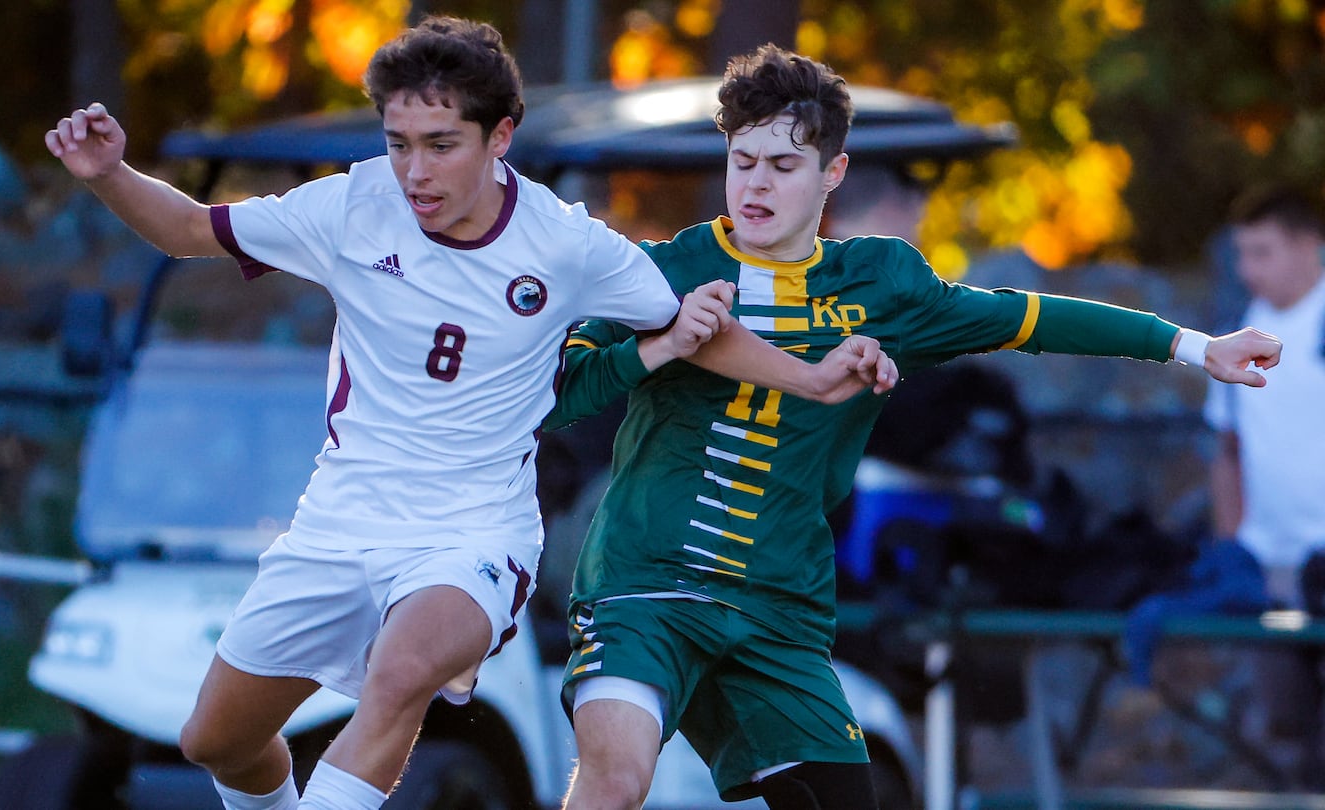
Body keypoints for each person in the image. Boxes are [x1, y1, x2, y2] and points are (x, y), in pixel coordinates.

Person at [45, 17, 891, 810]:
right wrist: (111, 175)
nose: (416, 172)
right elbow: (190, 229)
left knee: (401, 671)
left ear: (500, 137)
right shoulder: (349, 207)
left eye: (441, 146)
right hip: (339, 522)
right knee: (216, 740)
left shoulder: (564, 242)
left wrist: (812, 380)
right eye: (399, 144)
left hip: (472, 534)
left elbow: (692, 329)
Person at [544, 45, 1283, 810]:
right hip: (643, 583)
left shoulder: (883, 285)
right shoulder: (665, 270)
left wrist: (1200, 349)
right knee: (617, 778)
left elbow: (1029, 319)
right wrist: (658, 346)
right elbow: (560, 395)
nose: (756, 182)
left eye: (783, 165)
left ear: (833, 174)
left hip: (776, 606)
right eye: (743, 160)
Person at [1203, 184, 1325, 779]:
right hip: (1273, 574)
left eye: (1264, 252)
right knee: (1288, 737)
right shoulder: (1237, 337)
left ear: (1309, 247)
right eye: (1242, 254)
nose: (1248, 270)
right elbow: (1226, 452)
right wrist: (1234, 548)